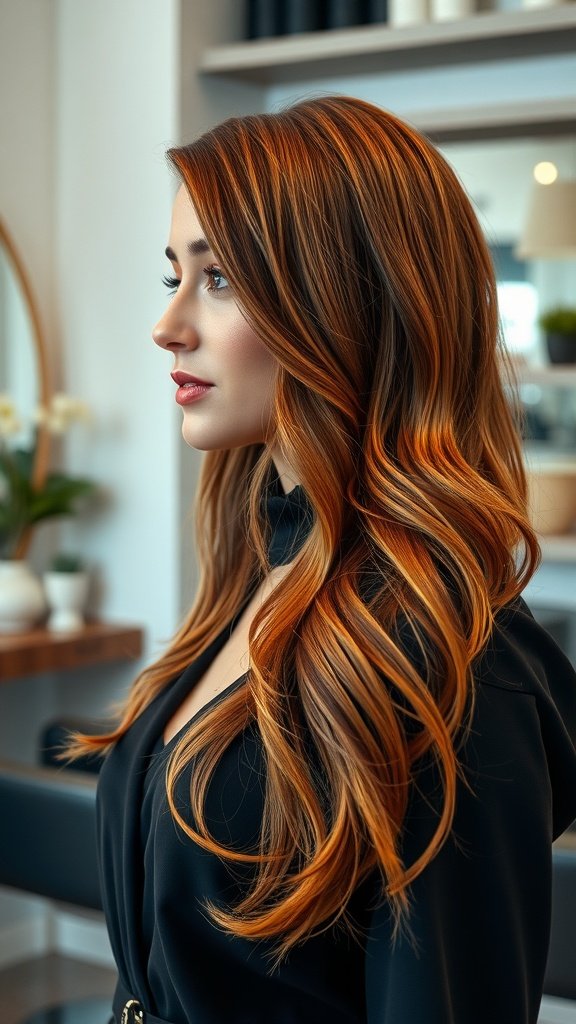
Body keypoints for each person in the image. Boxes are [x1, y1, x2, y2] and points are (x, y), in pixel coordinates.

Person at [74, 95, 576, 1024]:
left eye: (219, 280)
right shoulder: (261, 581)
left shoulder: (452, 684)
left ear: (345, 299)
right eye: (171, 277)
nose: (168, 325)